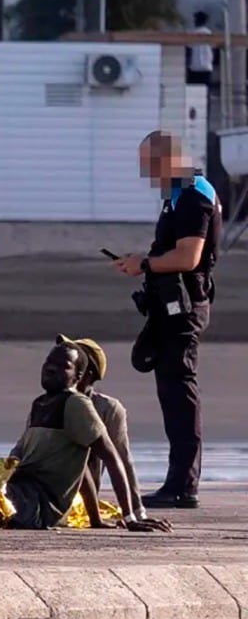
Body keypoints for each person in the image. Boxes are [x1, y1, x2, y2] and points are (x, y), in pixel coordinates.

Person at [113, 130, 220, 509]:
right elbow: (171, 251)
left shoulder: (193, 195)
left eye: (149, 163)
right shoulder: (176, 195)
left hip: (184, 307)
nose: (146, 172)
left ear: (170, 160)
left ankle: (183, 486)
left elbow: (188, 258)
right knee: (171, 391)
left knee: (180, 392)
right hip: (169, 304)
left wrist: (144, 263)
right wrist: (141, 261)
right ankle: (178, 482)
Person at [5, 342, 168, 532]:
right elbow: (79, 467)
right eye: (48, 362)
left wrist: (131, 517)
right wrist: (95, 519)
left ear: (80, 375)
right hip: (22, 491)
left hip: (36, 504)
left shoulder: (78, 404)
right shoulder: (40, 404)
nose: (51, 368)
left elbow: (114, 458)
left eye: (63, 365)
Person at [57, 335, 146, 519]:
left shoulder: (107, 409)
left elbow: (122, 460)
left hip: (77, 500)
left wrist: (137, 513)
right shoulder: (47, 402)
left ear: (85, 372)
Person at [188, 12, 214, 87]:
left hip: (195, 67)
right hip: (206, 66)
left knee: (193, 89)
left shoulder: (192, 33)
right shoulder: (209, 33)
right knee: (206, 89)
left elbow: (189, 47)